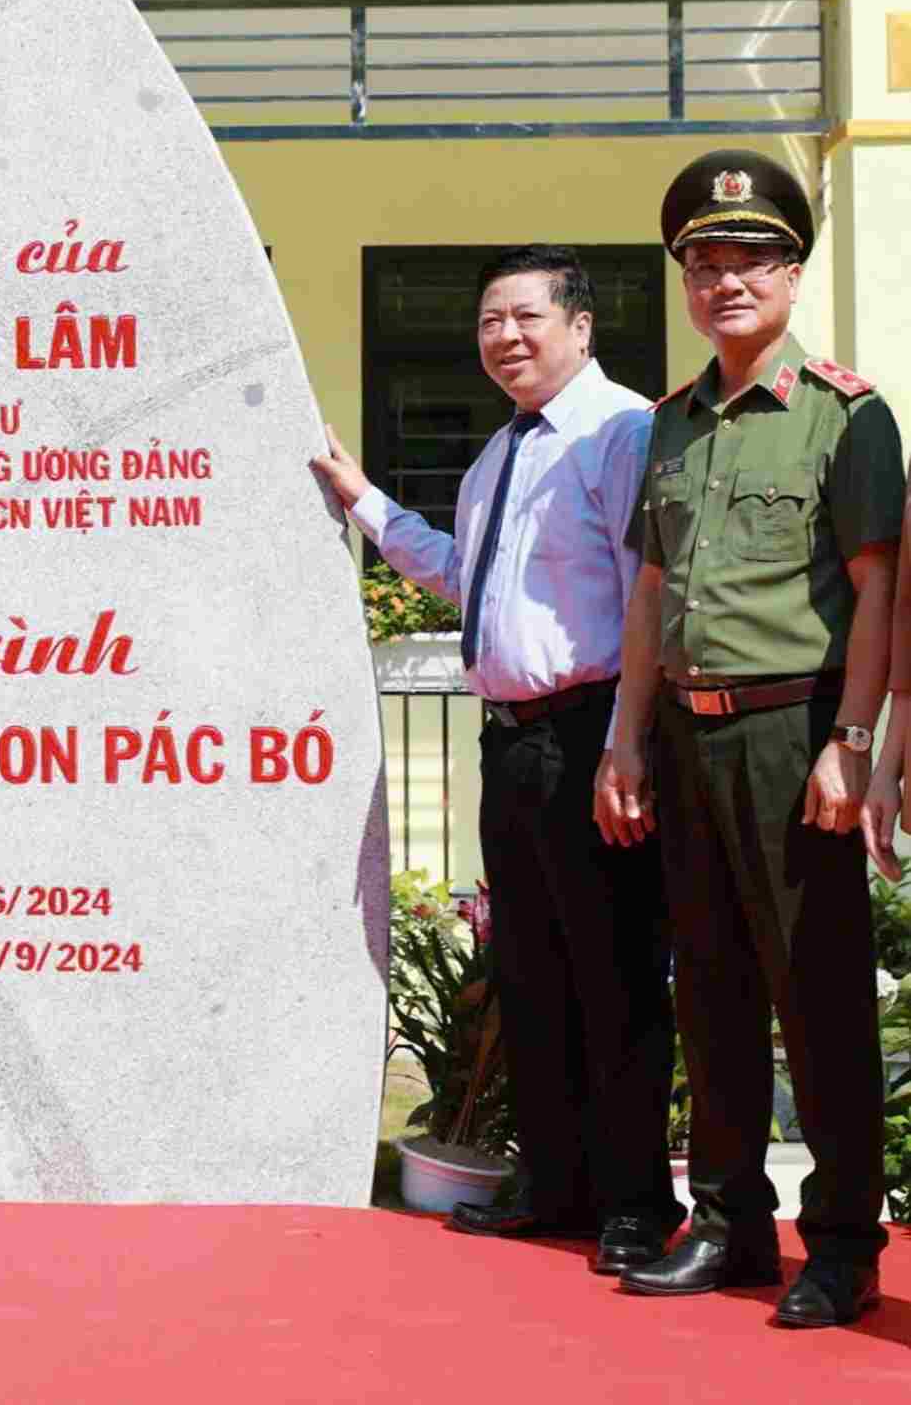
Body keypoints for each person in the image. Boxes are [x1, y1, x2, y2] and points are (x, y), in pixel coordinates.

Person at [313, 246, 680, 1275]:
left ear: (580, 325)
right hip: (512, 746)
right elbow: (457, 573)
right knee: (533, 971)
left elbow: (646, 594)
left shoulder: (622, 432)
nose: (504, 337)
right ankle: (555, 1184)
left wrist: (628, 743)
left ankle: (634, 1204)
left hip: (593, 734)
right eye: (487, 321)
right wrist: (363, 500)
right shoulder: (498, 458)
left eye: (524, 316)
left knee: (614, 976)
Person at [599, 150, 902, 1329]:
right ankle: (725, 1224)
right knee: (710, 989)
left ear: (790, 270)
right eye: (703, 262)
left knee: (815, 994)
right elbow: (646, 590)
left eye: (750, 258)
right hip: (686, 732)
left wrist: (853, 739)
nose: (726, 279)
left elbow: (879, 590)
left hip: (793, 732)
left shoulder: (844, 414)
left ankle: (837, 1244)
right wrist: (626, 739)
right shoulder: (671, 423)